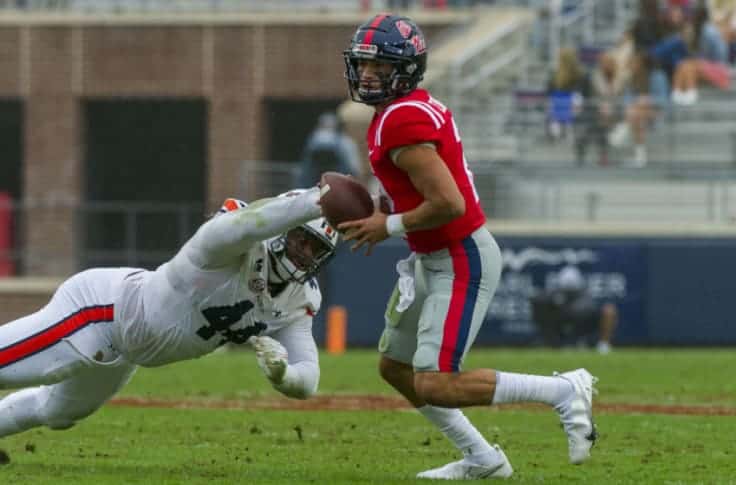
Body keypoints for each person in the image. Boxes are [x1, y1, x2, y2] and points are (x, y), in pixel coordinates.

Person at [339, 14, 598, 480]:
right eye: (364, 64)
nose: (368, 74)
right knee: (396, 367)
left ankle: (563, 391)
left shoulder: (402, 121)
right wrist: (386, 206)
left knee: (435, 382)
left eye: (379, 64)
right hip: (430, 255)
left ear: (406, 68)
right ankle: (483, 458)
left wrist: (389, 224)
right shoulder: (400, 112)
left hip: (459, 256)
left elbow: (449, 203)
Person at [0, 187, 338, 442]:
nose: (305, 254)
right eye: (301, 239)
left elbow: (307, 378)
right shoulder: (228, 243)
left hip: (126, 350)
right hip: (100, 310)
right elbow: (249, 224)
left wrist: (283, 375)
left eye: (317, 249)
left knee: (58, 412)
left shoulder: (298, 298)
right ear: (284, 227)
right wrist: (317, 200)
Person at [530, 265, 618, 354]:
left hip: (583, 326)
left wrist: (564, 308)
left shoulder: (584, 295)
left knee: (609, 310)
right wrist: (554, 302)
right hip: (559, 327)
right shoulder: (555, 294)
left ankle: (603, 345)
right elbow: (538, 300)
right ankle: (551, 343)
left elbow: (582, 311)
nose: (569, 292)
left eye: (572, 291)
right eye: (566, 290)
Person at [299, 112, 362, 188]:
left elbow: (304, 169)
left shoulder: (312, 140)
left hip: (313, 187)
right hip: (339, 186)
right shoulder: (346, 141)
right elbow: (355, 168)